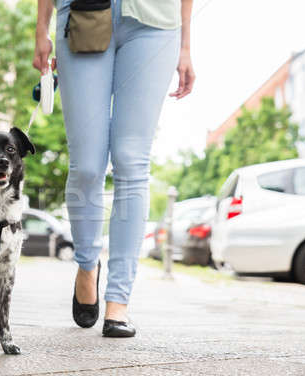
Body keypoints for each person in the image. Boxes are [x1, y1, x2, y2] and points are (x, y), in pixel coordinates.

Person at [33, 0, 194, 337]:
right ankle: (87, 264)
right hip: (82, 12)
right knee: (88, 165)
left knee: (131, 158)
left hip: (156, 23)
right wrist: (41, 30)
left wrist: (185, 45)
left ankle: (118, 301)